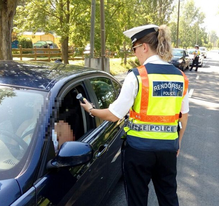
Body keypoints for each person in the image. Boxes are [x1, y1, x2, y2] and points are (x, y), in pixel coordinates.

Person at [80, 24, 189, 206]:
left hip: (139, 151)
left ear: (144, 47)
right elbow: (183, 115)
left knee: (137, 199)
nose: (134, 53)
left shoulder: (137, 76)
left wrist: (91, 110)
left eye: (134, 48)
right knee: (169, 197)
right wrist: (178, 142)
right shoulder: (180, 76)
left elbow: (114, 115)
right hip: (168, 149)